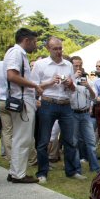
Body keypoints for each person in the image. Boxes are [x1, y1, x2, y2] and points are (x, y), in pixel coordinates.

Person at [31, 36, 85, 184]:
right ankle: (42, 172)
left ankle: (72, 171)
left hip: (65, 104)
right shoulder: (41, 64)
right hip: (48, 103)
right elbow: (34, 87)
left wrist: (70, 83)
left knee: (70, 140)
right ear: (48, 49)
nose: (59, 51)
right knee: (44, 140)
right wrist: (49, 82)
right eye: (55, 48)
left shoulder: (68, 64)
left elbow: (73, 88)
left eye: (60, 48)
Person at [4, 28, 43, 183]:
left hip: (21, 99)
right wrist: (34, 85)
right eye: (34, 42)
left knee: (19, 138)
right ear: (26, 40)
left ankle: (14, 171)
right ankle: (18, 174)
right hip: (22, 100)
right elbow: (12, 76)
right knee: (23, 139)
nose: (35, 45)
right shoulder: (17, 53)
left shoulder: (16, 53)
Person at [70, 56, 100, 173]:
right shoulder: (68, 79)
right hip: (72, 113)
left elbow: (94, 98)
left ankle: (95, 167)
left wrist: (88, 86)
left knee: (91, 141)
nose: (78, 68)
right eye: (75, 66)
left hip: (85, 114)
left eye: (80, 65)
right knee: (74, 142)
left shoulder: (87, 80)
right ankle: (77, 169)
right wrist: (73, 78)